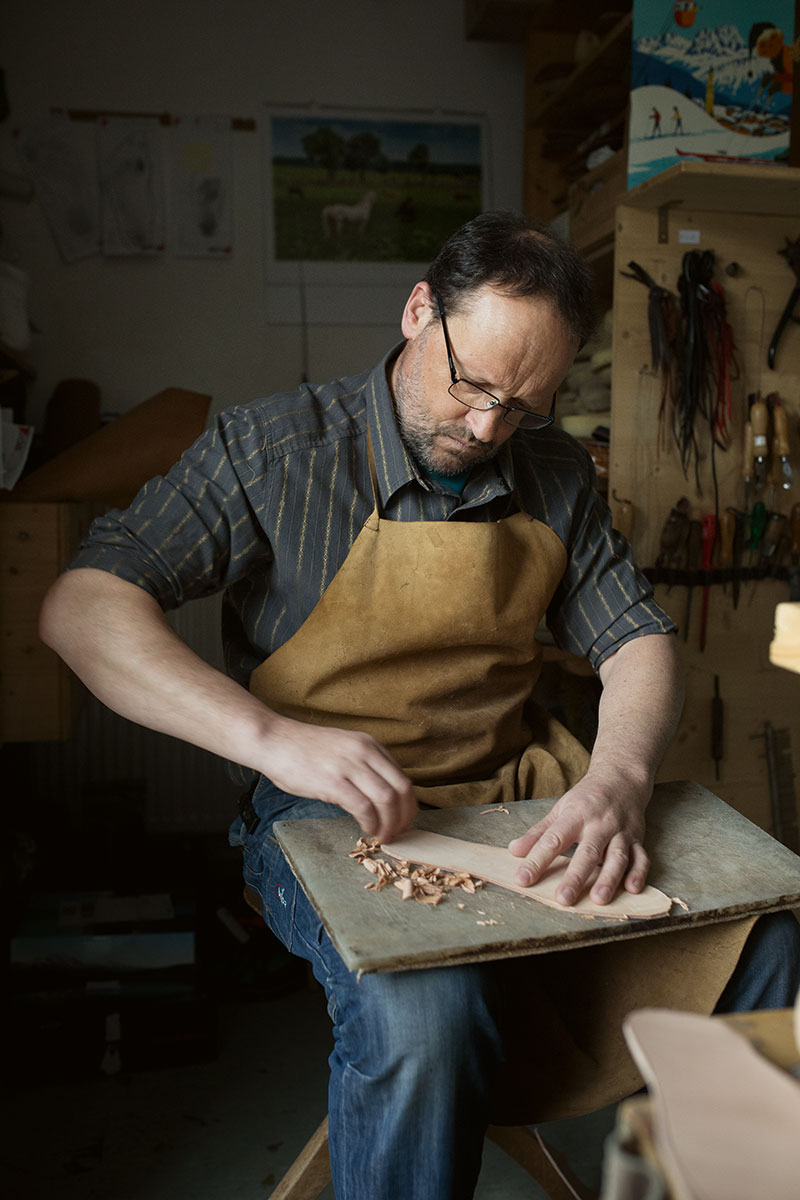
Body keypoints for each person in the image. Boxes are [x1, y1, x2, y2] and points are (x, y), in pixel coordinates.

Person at [40, 212, 799, 1199]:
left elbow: (638, 642)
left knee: (769, 943)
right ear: (416, 313)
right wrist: (270, 738)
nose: (485, 430)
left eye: (522, 407)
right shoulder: (270, 449)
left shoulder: (555, 471)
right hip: (322, 811)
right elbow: (81, 604)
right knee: (427, 1001)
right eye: (472, 384)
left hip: (520, 793)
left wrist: (614, 782)